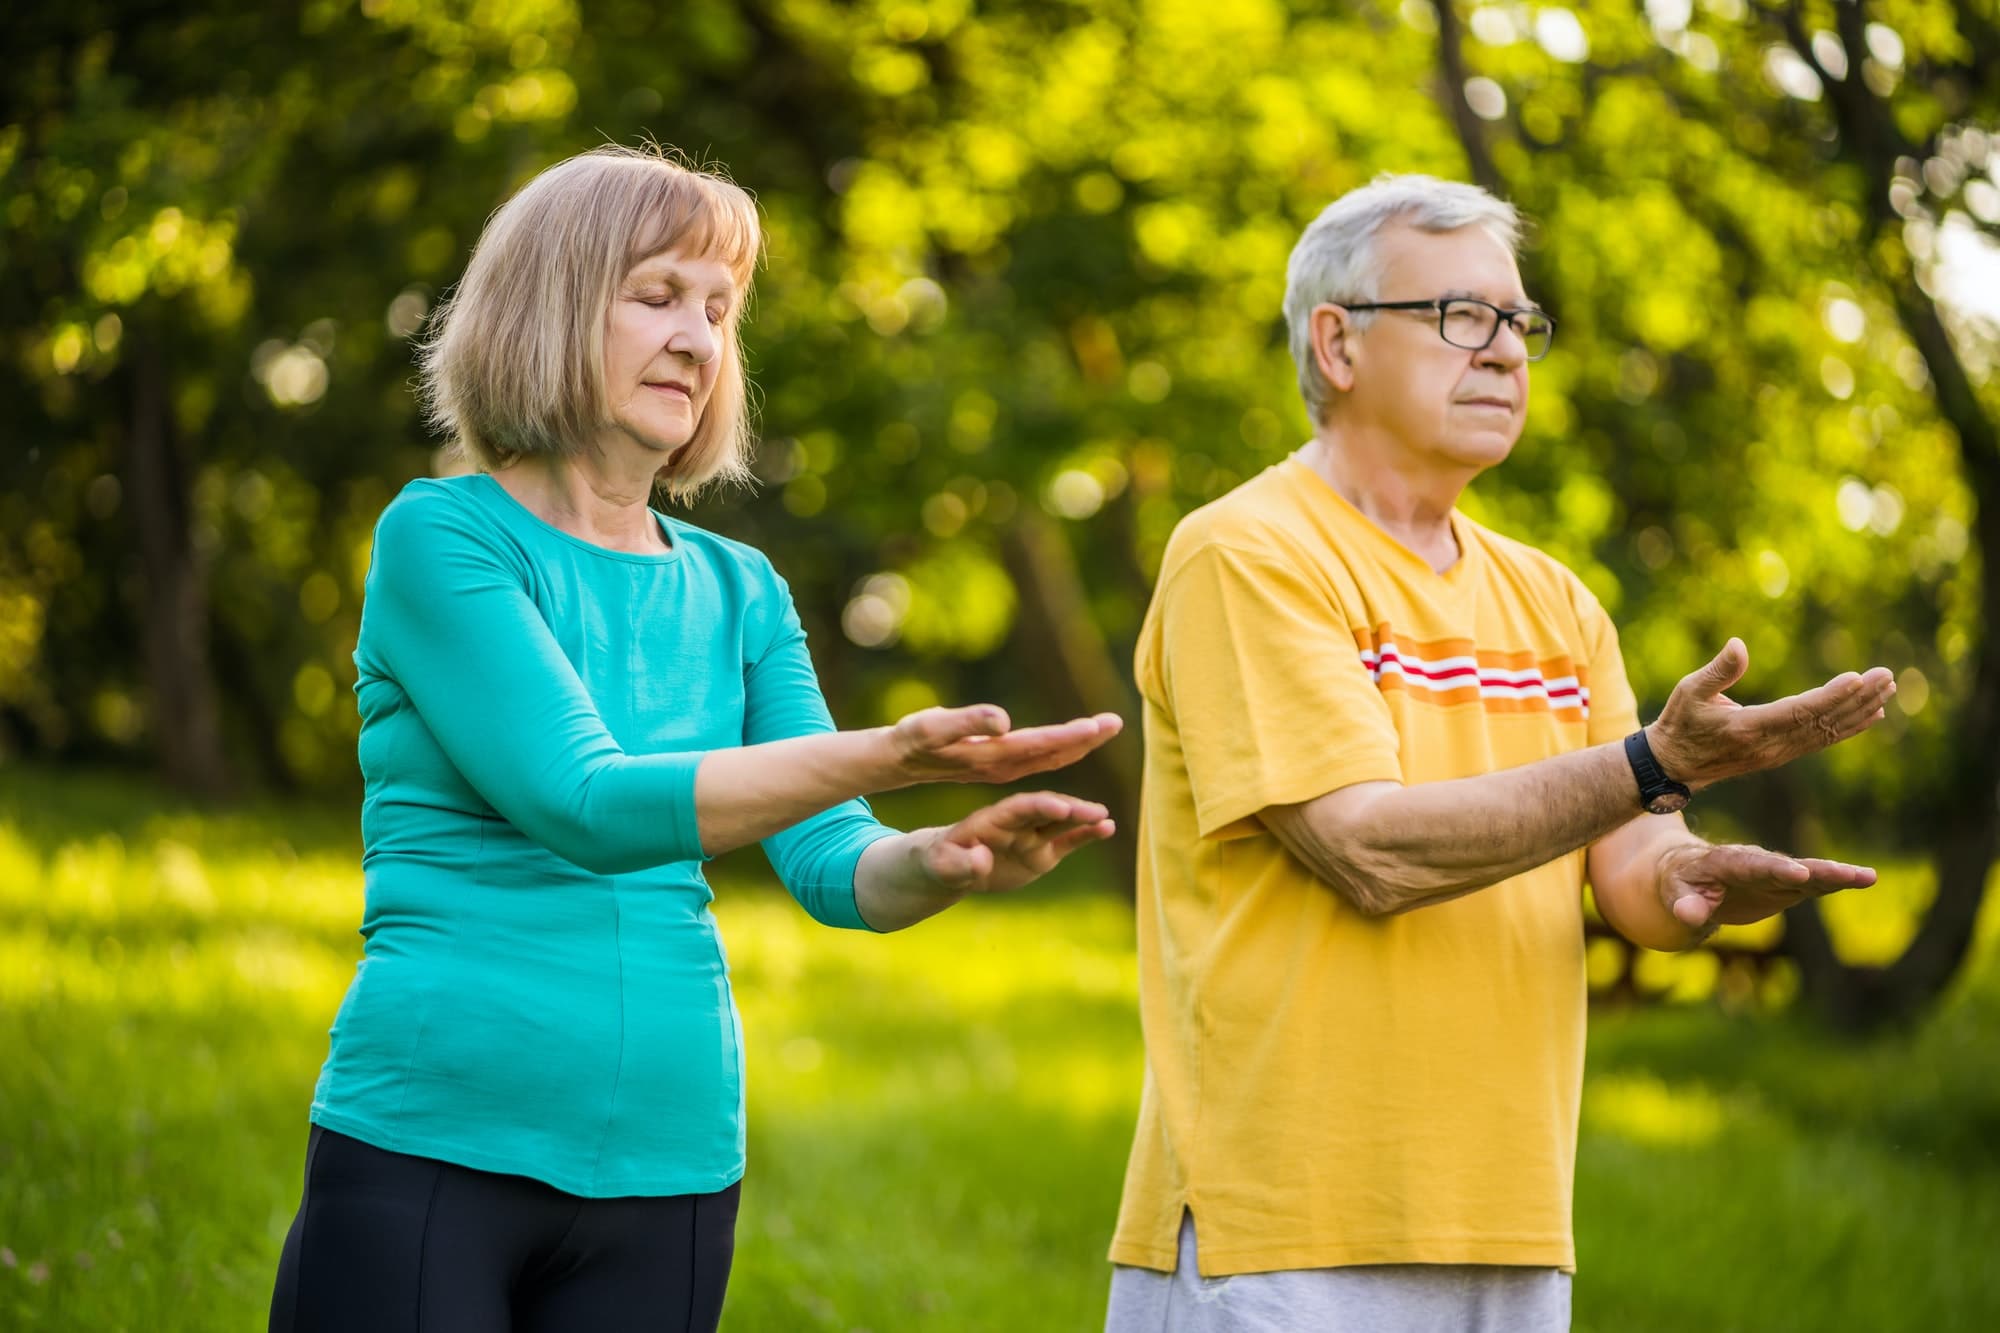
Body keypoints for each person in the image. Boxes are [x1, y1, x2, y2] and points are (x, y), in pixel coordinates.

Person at [267, 145, 1122, 1333]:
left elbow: (832, 862)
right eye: (658, 294)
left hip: (672, 1164)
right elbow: (587, 800)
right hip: (435, 1140)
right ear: (551, 307)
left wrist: (942, 860)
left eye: (719, 310)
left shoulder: (741, 589)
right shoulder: (444, 538)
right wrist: (889, 751)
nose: (696, 338)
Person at [1103, 174, 1896, 1332]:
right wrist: (1652, 764)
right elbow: (1366, 851)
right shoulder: (1245, 553)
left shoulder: (1555, 602)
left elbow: (1631, 866)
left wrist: (1695, 883)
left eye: (1519, 324)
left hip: (1509, 1222)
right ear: (1335, 342)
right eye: (1459, 316)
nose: (1506, 353)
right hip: (1280, 1226)